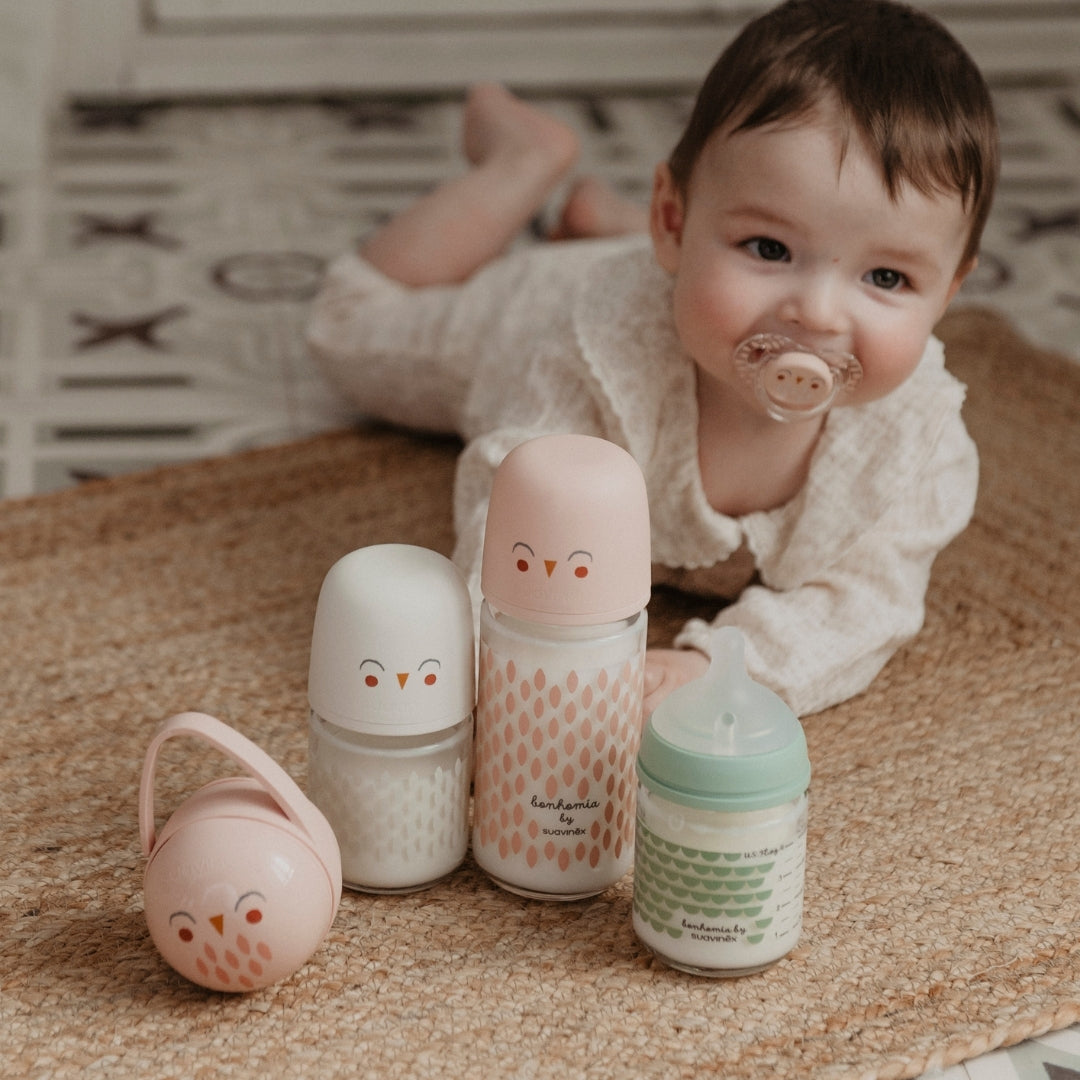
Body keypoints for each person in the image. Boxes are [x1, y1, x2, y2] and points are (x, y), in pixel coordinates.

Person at [306, 0, 999, 717]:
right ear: (673, 220)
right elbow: (510, 516)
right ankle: (525, 160)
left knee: (697, 267)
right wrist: (505, 664)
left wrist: (719, 667)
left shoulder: (920, 446)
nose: (818, 315)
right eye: (769, 248)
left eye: (887, 278)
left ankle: (619, 226)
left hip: (670, 268)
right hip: (534, 309)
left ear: (946, 290)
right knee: (348, 324)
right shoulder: (597, 352)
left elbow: (866, 605)